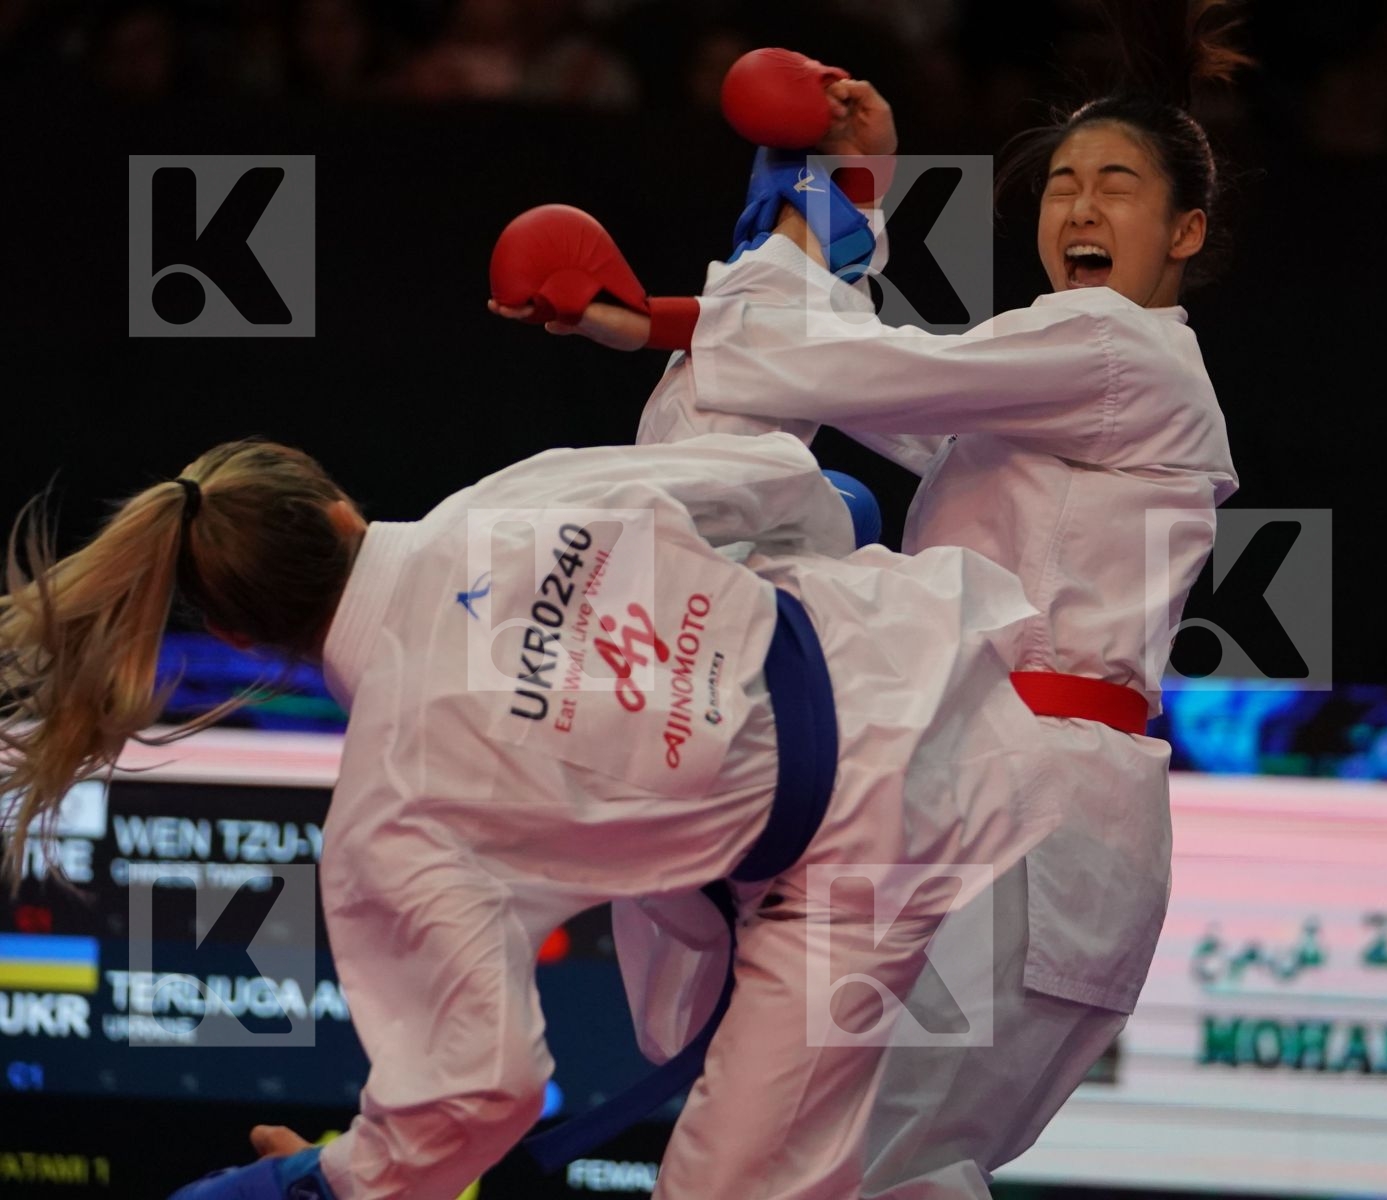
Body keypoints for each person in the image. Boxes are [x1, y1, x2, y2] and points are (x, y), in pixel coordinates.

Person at [490, 3, 1244, 1193]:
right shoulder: (1065, 392)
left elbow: (870, 371)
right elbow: (879, 381)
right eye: (1061, 187)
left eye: (1116, 187)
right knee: (885, 1167)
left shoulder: (1119, 351)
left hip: (1016, 812)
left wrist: (777, 232)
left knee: (845, 1160)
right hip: (1037, 825)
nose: (1081, 210)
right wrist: (821, 214)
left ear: (1186, 230)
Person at [0, 431, 1063, 1199]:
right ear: (335, 506)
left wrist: (313, 1189)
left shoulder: (388, 815)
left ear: (242, 639)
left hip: (856, 877)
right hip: (947, 667)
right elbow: (791, 485)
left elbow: (479, 1094)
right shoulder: (511, 494)